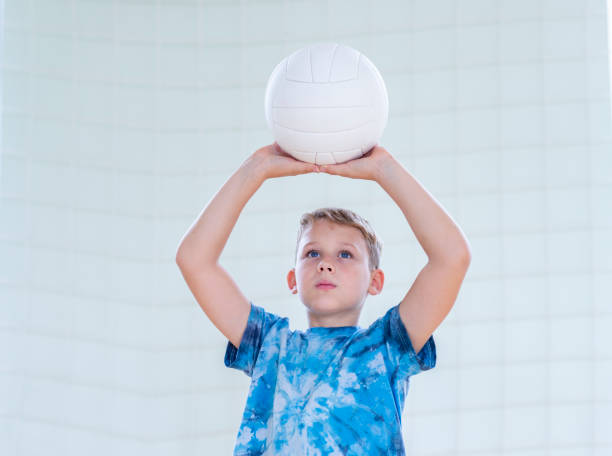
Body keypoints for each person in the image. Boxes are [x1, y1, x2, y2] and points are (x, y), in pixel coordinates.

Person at [175, 143, 471, 455]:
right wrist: (256, 168)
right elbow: (194, 260)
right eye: (312, 252)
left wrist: (385, 171)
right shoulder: (270, 344)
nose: (325, 263)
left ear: (375, 280)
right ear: (293, 279)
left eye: (345, 254)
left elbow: (452, 258)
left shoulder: (387, 347)